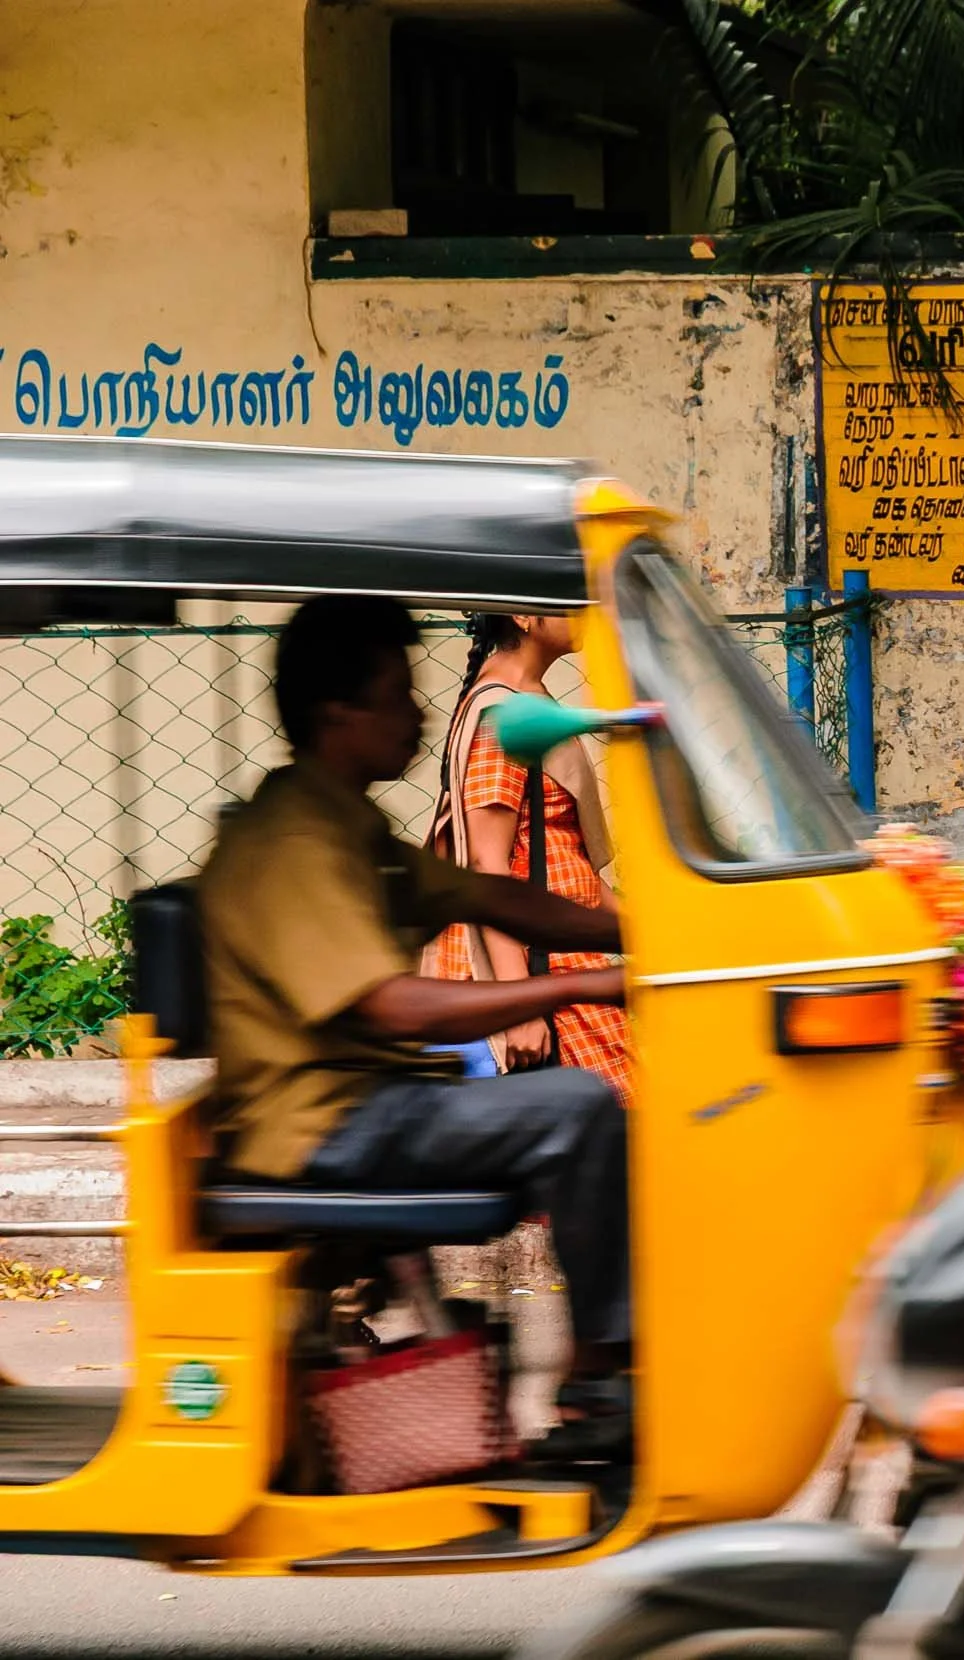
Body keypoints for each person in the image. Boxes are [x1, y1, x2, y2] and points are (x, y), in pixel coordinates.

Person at [196, 596, 635, 1447]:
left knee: (575, 1109)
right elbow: (395, 1004)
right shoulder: (294, 842)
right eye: (399, 695)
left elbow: (489, 895)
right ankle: (602, 1379)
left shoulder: (342, 821)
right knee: (577, 1108)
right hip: (322, 1128)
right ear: (339, 715)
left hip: (362, 1105)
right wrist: (576, 990)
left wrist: (639, 936)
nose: (421, 713)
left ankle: (589, 1365)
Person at [421, 612, 632, 1100]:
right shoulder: (503, 716)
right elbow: (487, 871)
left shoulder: (526, 701)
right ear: (523, 616)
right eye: (568, 601)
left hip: (565, 957)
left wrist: (659, 933)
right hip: (541, 972)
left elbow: (566, 862)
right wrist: (519, 1008)